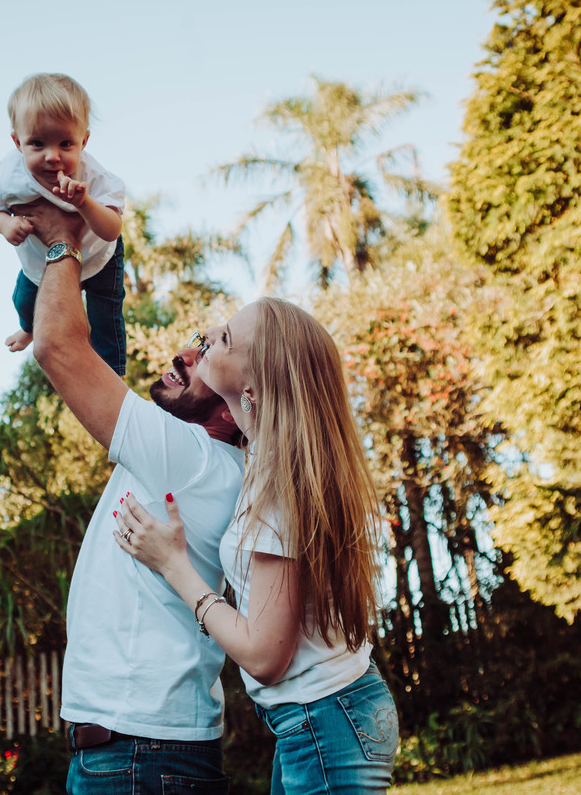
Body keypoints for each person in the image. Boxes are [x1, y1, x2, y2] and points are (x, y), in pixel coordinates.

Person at [112, 297, 400, 794]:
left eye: (223, 338)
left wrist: (173, 564)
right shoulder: (273, 463)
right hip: (324, 717)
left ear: (252, 387)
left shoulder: (276, 487)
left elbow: (265, 656)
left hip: (325, 722)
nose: (207, 335)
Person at [8, 198, 245, 794]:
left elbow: (60, 348)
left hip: (140, 758)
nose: (184, 353)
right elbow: (88, 349)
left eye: (210, 350)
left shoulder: (190, 457)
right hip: (138, 753)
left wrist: (62, 241)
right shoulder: (193, 458)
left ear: (241, 395)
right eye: (196, 339)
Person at [0, 73, 127, 374]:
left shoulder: (95, 178)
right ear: (17, 142)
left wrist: (84, 203)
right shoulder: (7, 175)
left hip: (100, 258)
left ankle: (112, 374)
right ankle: (28, 328)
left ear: (83, 141)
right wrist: (6, 225)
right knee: (23, 301)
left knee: (106, 318)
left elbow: (112, 228)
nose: (52, 156)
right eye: (37, 143)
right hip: (40, 265)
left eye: (65, 143)